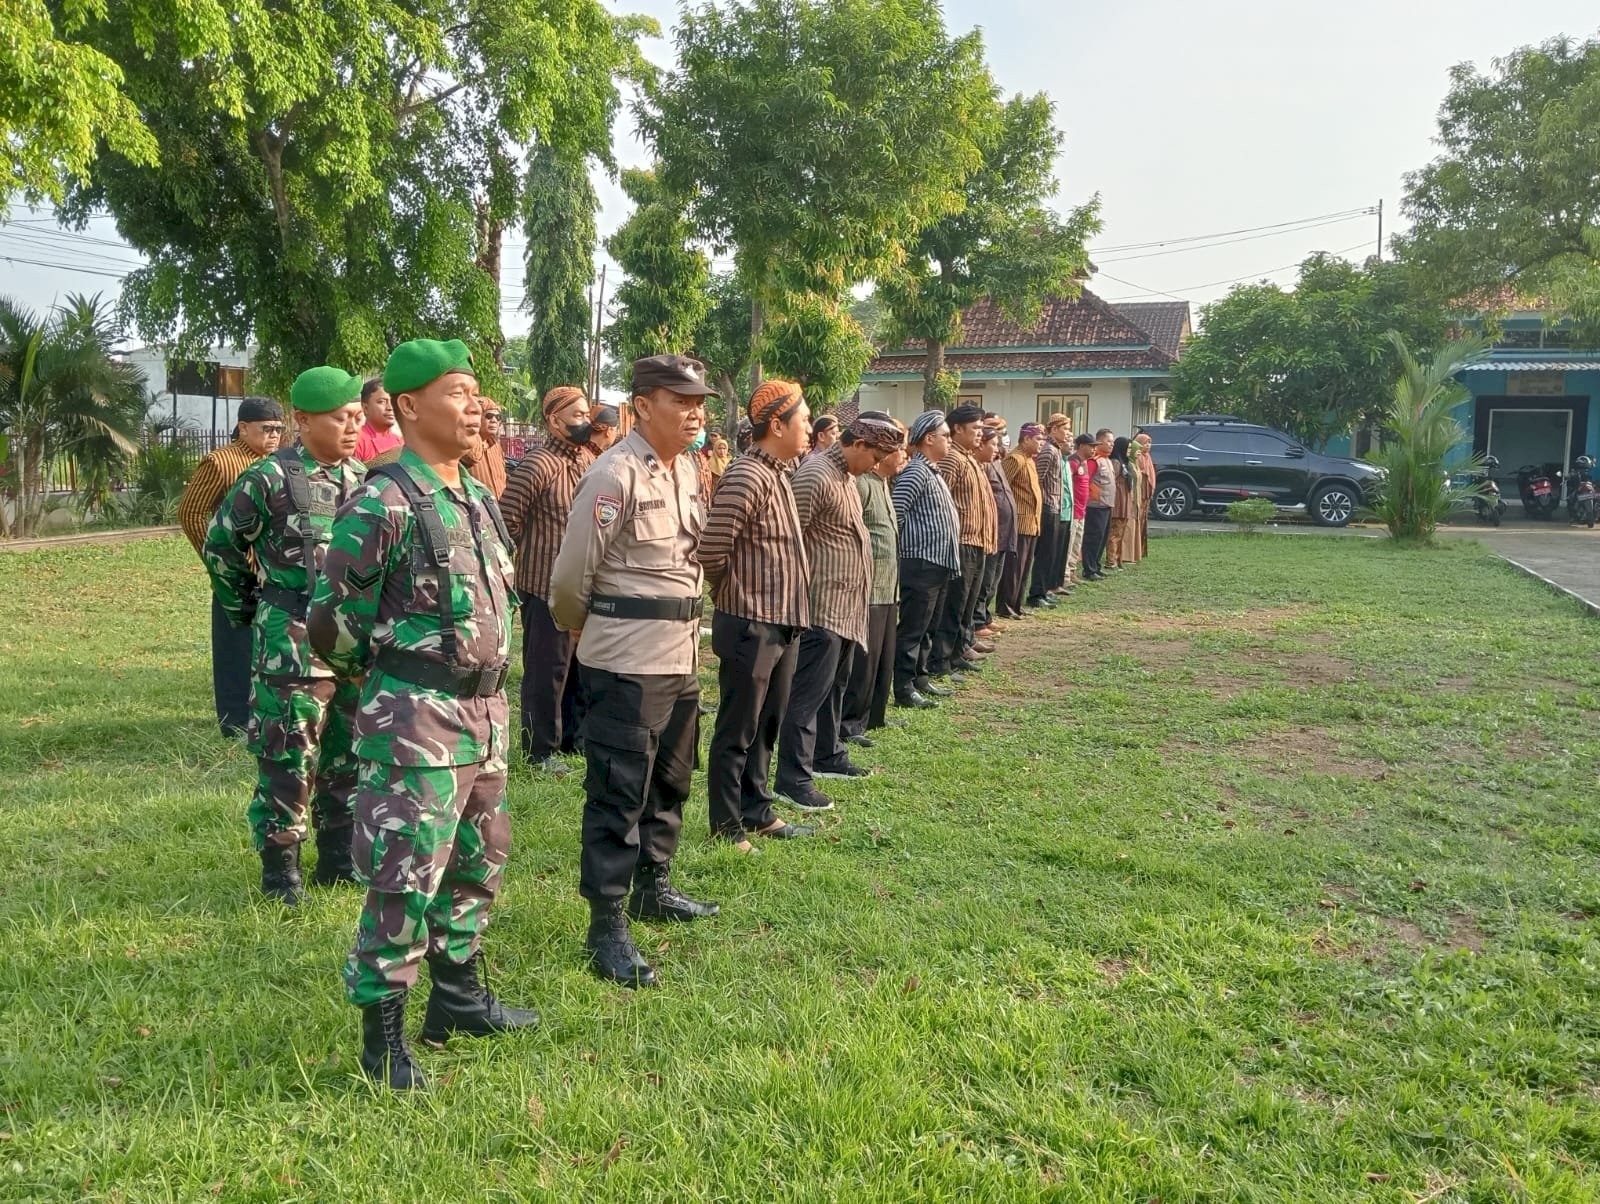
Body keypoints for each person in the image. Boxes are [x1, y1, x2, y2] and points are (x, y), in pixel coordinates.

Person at [310, 338, 535, 1091]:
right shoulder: (382, 500)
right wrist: (389, 685)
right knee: (404, 879)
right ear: (408, 406)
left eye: (477, 393)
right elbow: (331, 622)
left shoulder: (472, 493)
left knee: (479, 863)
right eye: (459, 392)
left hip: (486, 714)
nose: (477, 406)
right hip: (417, 721)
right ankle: (383, 1043)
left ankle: (459, 1001)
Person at [549, 354, 719, 990]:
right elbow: (570, 579)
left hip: (679, 655)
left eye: (700, 400)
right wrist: (581, 629)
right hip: (626, 660)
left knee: (672, 779)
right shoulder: (613, 474)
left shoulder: (687, 469)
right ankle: (608, 923)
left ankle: (654, 885)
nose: (696, 411)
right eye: (682, 401)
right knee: (618, 791)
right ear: (643, 406)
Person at [202, 370, 365, 904]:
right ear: (304, 420)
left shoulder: (362, 479)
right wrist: (247, 605)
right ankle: (281, 872)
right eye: (341, 417)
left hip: (349, 644)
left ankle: (338, 859)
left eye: (356, 416)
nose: (352, 426)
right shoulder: (268, 478)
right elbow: (222, 545)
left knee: (347, 752)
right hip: (291, 639)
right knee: (288, 753)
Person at [698, 379, 816, 851]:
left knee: (768, 722)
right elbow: (712, 549)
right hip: (752, 621)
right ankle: (726, 824)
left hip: (783, 620)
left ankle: (758, 810)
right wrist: (737, 595)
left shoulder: (780, 473)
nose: (809, 428)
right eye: (803, 420)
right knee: (738, 726)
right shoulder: (747, 474)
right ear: (776, 424)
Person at [776, 413, 900, 811]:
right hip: (819, 606)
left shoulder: (844, 477)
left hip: (846, 607)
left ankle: (826, 755)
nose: (878, 465)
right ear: (858, 444)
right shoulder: (815, 474)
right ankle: (792, 777)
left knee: (834, 688)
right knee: (807, 695)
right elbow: (788, 539)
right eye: (877, 455)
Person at [499, 385, 594, 777]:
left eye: (587, 415)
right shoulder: (539, 464)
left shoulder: (590, 460)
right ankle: (539, 749)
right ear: (554, 420)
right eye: (577, 416)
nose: (585, 423)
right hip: (543, 585)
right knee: (547, 669)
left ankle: (573, 737)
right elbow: (507, 520)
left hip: (583, 585)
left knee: (579, 668)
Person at [178, 397, 284, 736]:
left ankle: (268, 711)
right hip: (235, 571)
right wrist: (219, 560)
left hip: (274, 571)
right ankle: (236, 722)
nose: (274, 435)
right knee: (235, 648)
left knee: (267, 644)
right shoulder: (221, 462)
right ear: (243, 428)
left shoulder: (279, 463)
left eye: (279, 429)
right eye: (266, 429)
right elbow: (191, 512)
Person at [890, 412, 960, 709]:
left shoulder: (932, 471)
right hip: (921, 563)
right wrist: (907, 550)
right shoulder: (917, 472)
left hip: (937, 562)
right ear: (928, 439)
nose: (949, 440)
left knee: (928, 626)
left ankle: (919, 676)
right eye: (945, 435)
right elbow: (897, 512)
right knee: (913, 628)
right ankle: (904, 688)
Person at [842, 428, 905, 744]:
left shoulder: (882, 484)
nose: (903, 455)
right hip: (870, 586)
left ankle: (874, 716)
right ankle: (851, 723)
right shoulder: (863, 484)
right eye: (898, 450)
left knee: (883, 658)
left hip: (888, 585)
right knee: (864, 663)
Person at [931, 404, 994, 681]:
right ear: (957, 428)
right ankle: (941, 660)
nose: (980, 434)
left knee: (967, 604)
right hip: (961, 541)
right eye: (975, 429)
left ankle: (958, 651)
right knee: (954, 605)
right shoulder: (952, 459)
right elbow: (941, 502)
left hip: (977, 541)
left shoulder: (970, 458)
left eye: (981, 429)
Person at [1000, 423, 1045, 619]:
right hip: (1018, 523)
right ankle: (1006, 605)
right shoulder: (1015, 459)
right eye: (1037, 439)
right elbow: (1001, 488)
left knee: (1025, 568)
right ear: (1026, 439)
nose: (1041, 443)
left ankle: (1017, 604)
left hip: (1032, 523)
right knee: (1013, 569)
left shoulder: (1030, 460)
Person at [975, 425, 1014, 629]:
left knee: (992, 580)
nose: (998, 449)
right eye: (994, 444)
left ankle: (984, 617)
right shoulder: (980, 466)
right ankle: (978, 621)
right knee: (984, 580)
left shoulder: (996, 463)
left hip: (1002, 530)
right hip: (988, 532)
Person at [1029, 414, 1068, 606]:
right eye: (1065, 428)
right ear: (1053, 429)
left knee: (1051, 553)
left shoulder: (1056, 450)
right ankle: (1036, 593)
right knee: (1044, 552)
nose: (1068, 432)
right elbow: (1038, 479)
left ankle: (1044, 590)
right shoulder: (1048, 451)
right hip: (1047, 507)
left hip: (1055, 506)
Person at [1081, 429, 1116, 581]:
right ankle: (1089, 569)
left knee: (1102, 538)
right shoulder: (1094, 460)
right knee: (1093, 538)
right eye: (1108, 441)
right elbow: (1085, 481)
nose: (1111, 445)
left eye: (1113, 442)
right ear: (1100, 442)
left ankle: (1096, 566)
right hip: (1095, 505)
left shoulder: (1107, 460)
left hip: (1106, 505)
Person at [461, 397, 508, 498]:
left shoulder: (496, 447)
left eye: (498, 417)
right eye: (489, 416)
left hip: (497, 510)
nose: (494, 420)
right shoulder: (466, 447)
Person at [1065, 433, 1093, 588]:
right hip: (1073, 511)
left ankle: (1073, 571)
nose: (1094, 450)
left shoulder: (1084, 463)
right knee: (1069, 545)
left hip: (1082, 511)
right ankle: (1065, 576)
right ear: (1082, 446)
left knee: (1077, 544)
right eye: (1091, 446)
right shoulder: (1073, 462)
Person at [353, 378, 402, 464]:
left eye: (393, 401)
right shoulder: (355, 441)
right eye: (382, 402)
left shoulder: (400, 441)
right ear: (365, 408)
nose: (390, 407)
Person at [1108, 436, 1132, 570]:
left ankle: (1118, 559)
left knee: (1120, 532)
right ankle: (1111, 561)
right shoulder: (1116, 462)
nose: (1129, 451)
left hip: (1124, 501)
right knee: (1114, 533)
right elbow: (1113, 482)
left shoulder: (1124, 462)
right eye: (1127, 448)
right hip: (1118, 502)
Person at [1136, 431, 1157, 560]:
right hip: (1139, 493)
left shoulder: (1148, 457)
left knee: (1144, 522)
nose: (1148, 445)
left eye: (1150, 443)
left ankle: (1141, 550)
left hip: (1147, 494)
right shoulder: (1137, 456)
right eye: (1145, 443)